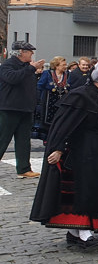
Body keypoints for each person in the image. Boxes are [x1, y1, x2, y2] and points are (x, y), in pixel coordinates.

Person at [29, 60, 98, 248]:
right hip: (83, 150)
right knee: (83, 189)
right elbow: (64, 124)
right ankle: (82, 230)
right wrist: (57, 148)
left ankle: (78, 231)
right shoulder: (81, 96)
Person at [0, 42, 45, 178]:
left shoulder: (27, 67)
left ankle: (24, 168)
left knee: (24, 140)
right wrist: (31, 69)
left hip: (26, 109)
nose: (32, 53)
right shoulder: (8, 65)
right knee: (2, 139)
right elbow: (12, 78)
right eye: (29, 51)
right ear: (21, 52)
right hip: (10, 108)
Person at [35, 56, 70, 139]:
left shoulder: (68, 75)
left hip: (62, 101)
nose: (65, 67)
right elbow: (40, 86)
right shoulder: (47, 73)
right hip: (48, 101)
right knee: (48, 121)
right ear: (57, 66)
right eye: (63, 65)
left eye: (65, 65)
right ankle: (46, 138)